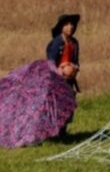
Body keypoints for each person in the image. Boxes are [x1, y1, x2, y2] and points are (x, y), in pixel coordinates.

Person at [0, 14, 79, 147]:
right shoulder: (56, 43)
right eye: (67, 24)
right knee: (53, 106)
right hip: (54, 80)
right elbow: (50, 62)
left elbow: (76, 61)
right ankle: (47, 133)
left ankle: (62, 133)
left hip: (68, 80)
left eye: (72, 25)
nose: (70, 27)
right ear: (61, 27)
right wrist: (60, 71)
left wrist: (74, 69)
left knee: (68, 105)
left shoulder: (74, 43)